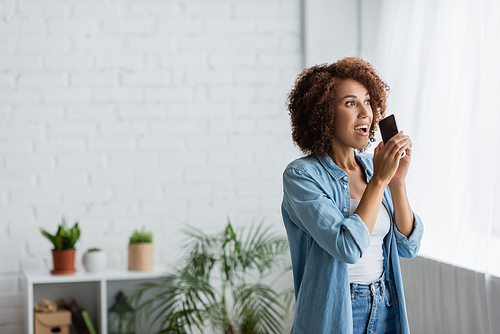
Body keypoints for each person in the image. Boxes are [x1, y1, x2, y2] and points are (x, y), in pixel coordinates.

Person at [281, 57, 423, 334]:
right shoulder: (302, 176)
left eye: (368, 102)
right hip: (337, 311)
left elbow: (408, 246)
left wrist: (396, 182)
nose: (365, 113)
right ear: (324, 113)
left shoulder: (373, 167)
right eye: (350, 103)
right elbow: (347, 247)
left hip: (385, 304)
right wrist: (380, 181)